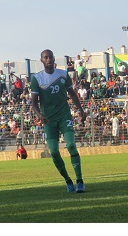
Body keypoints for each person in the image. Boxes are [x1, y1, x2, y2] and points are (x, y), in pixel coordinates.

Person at [31, 49, 86, 193]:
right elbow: (33, 103)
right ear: (42, 60)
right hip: (49, 120)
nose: (48, 59)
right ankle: (68, 182)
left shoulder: (63, 74)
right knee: (54, 152)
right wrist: (40, 115)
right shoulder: (37, 78)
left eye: (50, 57)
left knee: (71, 145)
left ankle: (79, 181)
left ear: (54, 59)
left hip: (64, 116)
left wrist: (81, 110)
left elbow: (72, 94)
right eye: (45, 57)